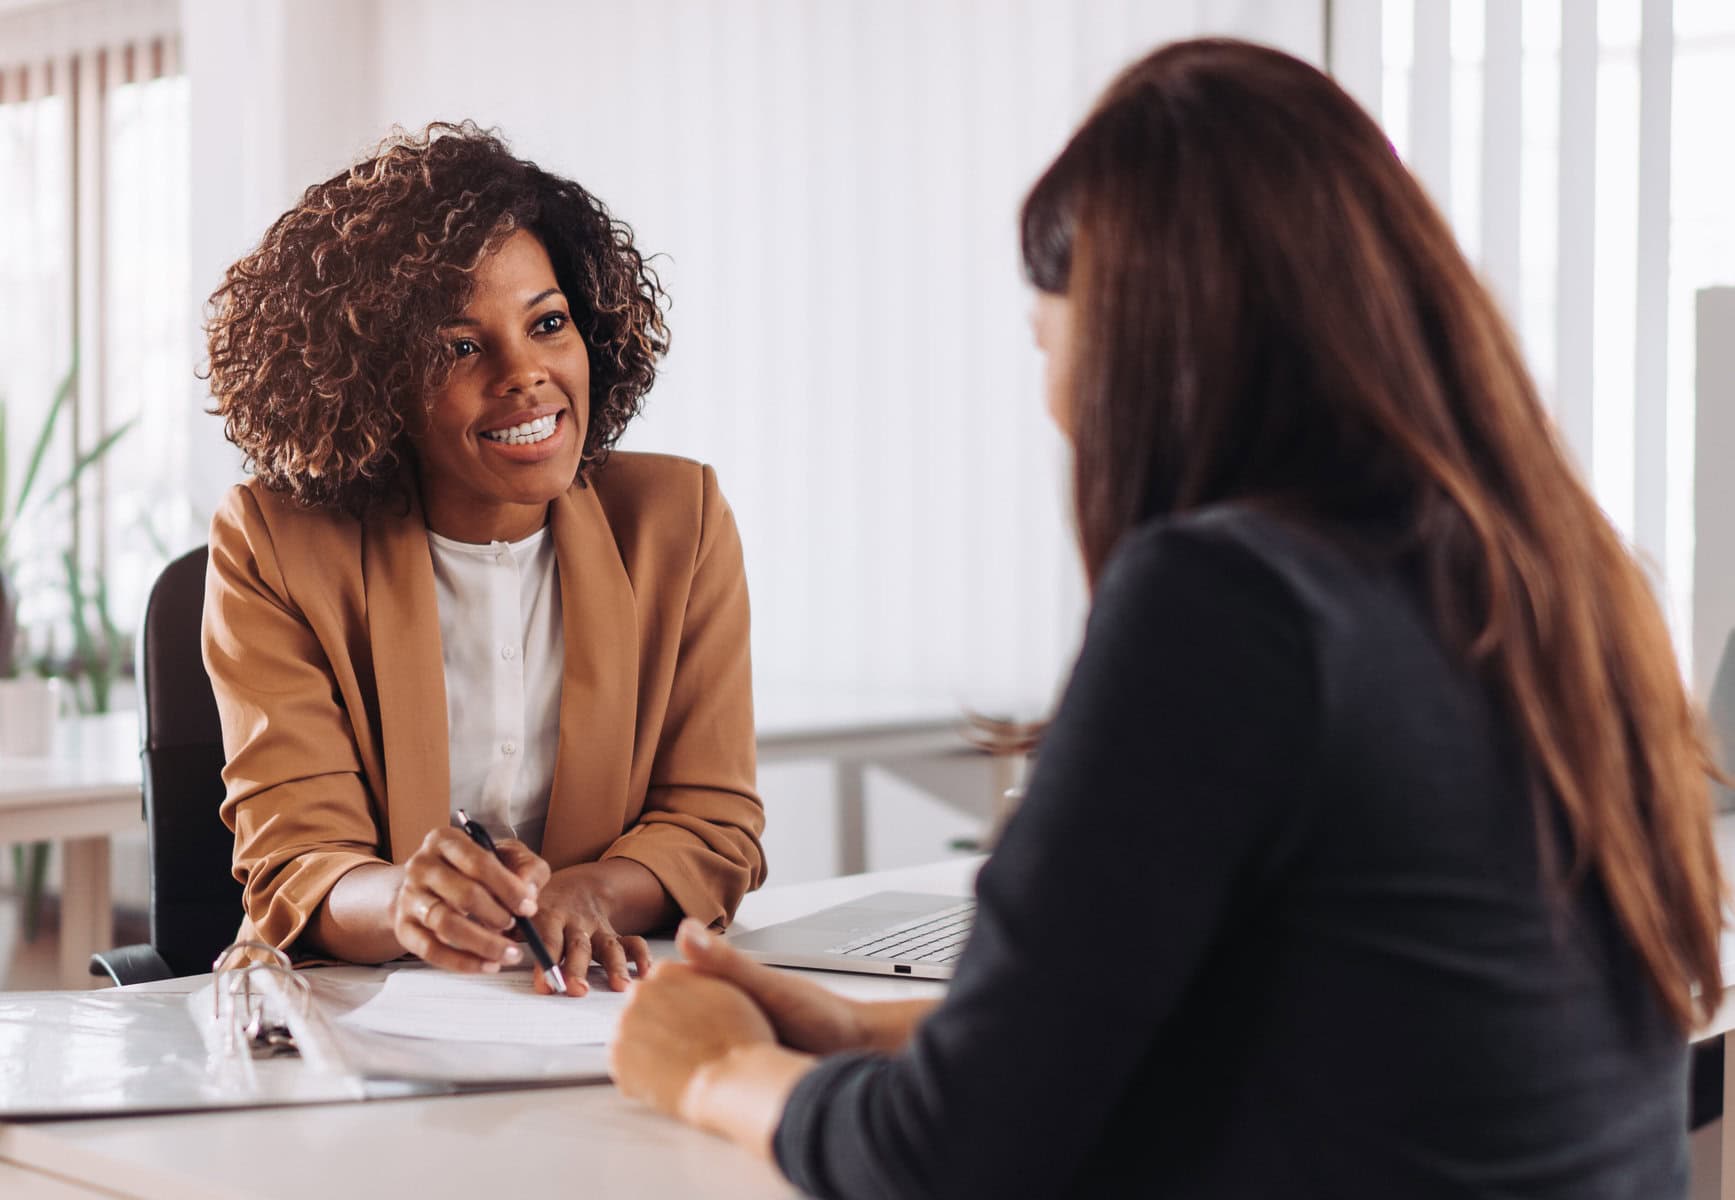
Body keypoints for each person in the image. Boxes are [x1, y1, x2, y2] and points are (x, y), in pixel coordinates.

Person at [608, 38, 1725, 1196]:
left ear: (1141, 343)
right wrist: (856, 1034)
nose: (1055, 412)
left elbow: (952, 1161)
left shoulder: (1230, 603)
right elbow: (1315, 1030)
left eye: (1048, 343)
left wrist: (716, 1072)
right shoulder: (1578, 584)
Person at [202, 123, 765, 994]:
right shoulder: (274, 542)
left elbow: (712, 824)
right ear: (374, 379)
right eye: (460, 346)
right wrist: (406, 903)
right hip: (353, 1019)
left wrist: (588, 895)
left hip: (590, 1007)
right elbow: (299, 860)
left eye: (548, 324)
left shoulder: (675, 521)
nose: (525, 373)